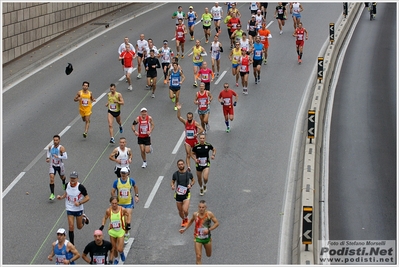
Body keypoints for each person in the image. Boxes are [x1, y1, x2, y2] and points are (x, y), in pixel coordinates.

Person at [179, 200, 220, 264]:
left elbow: (217, 223)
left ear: (205, 207)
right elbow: (191, 221)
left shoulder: (209, 214)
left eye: (203, 207)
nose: (201, 209)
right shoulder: (195, 214)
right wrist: (184, 229)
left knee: (208, 255)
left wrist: (209, 230)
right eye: (200, 207)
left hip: (207, 238)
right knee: (198, 256)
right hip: (198, 237)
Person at [56, 171, 90, 245]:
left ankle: (84, 218)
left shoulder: (80, 187)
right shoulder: (67, 185)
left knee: (79, 227)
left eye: (74, 178)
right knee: (71, 226)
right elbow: (66, 193)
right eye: (71, 178)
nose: (72, 180)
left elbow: (87, 198)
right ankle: (72, 245)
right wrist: (61, 197)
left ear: (77, 179)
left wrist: (79, 203)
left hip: (78, 208)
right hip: (69, 207)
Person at [111, 167, 139, 244]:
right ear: (120, 173)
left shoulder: (131, 181)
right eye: (122, 173)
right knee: (122, 220)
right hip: (120, 204)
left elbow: (135, 187)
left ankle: (127, 232)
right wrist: (114, 199)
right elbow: (113, 191)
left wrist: (136, 195)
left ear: (128, 173)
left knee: (127, 219)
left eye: (125, 173)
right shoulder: (116, 182)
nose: (123, 174)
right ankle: (123, 232)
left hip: (128, 203)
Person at [100, 196, 130, 264]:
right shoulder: (108, 210)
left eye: (115, 203)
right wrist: (102, 225)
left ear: (118, 203)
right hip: (112, 231)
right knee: (114, 248)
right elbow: (105, 218)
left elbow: (128, 215)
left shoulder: (122, 209)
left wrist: (127, 224)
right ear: (110, 203)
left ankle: (121, 253)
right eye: (112, 203)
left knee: (119, 249)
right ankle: (116, 259)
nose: (114, 205)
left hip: (120, 231)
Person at [176, 103, 204, 172]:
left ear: (192, 117)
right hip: (188, 141)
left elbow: (202, 129)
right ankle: (188, 167)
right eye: (188, 117)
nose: (189, 119)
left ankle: (199, 163)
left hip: (194, 140)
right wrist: (179, 110)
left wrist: (197, 134)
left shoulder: (195, 123)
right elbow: (179, 117)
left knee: (197, 153)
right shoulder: (185, 122)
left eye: (190, 118)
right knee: (188, 154)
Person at [171, 159, 195, 227]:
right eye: (179, 164)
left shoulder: (188, 173)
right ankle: (184, 219)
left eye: (182, 164)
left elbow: (193, 180)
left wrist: (190, 185)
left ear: (184, 165)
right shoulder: (175, 174)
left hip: (186, 194)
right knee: (180, 211)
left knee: (185, 210)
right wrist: (172, 185)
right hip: (178, 194)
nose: (181, 165)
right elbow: (172, 181)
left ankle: (186, 217)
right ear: (177, 166)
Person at [47, 134, 67, 201]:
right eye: (54, 140)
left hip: (60, 165)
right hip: (52, 165)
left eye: (56, 140)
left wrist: (58, 157)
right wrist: (47, 157)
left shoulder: (61, 148)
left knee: (62, 177)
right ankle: (52, 194)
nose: (55, 141)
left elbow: (65, 157)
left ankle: (63, 182)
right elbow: (48, 151)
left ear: (59, 141)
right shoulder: (51, 147)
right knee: (51, 178)